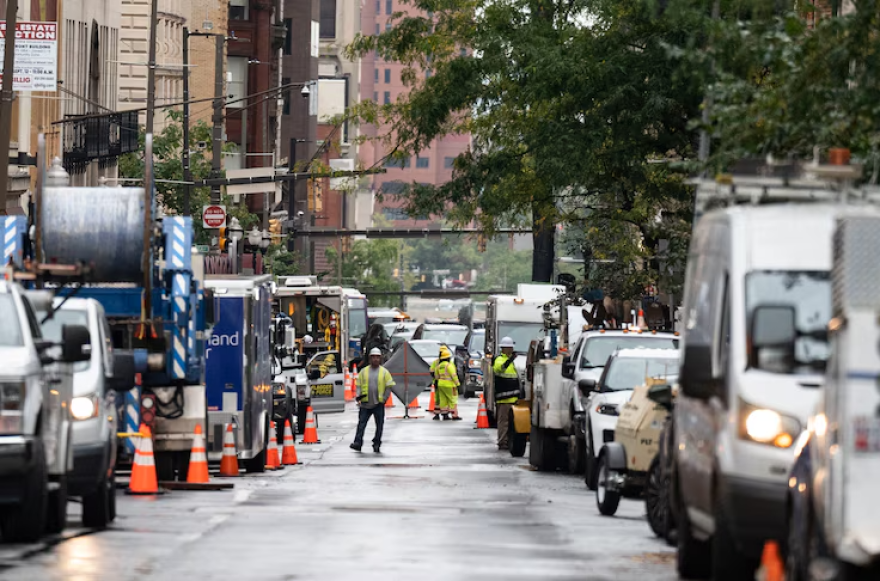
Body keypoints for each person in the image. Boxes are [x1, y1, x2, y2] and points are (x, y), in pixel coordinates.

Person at [350, 348, 395, 453]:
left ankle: (377, 443)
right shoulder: (363, 371)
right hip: (365, 403)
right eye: (373, 357)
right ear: (370, 358)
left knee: (379, 425)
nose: (375, 359)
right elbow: (358, 386)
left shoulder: (384, 372)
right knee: (361, 424)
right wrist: (358, 397)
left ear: (380, 358)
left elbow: (389, 386)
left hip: (378, 403)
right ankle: (358, 442)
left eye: (377, 357)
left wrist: (384, 399)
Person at [492, 336, 521, 450]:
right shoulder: (499, 359)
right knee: (503, 422)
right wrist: (510, 360)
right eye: (509, 348)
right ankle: (502, 442)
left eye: (511, 348)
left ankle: (508, 441)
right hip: (503, 399)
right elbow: (500, 369)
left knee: (510, 423)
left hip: (513, 398)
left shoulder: (511, 362)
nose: (511, 350)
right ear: (503, 348)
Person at [430, 345, 462, 421]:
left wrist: (437, 381)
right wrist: (458, 384)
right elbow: (453, 375)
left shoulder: (437, 364)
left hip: (439, 384)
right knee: (452, 400)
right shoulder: (449, 364)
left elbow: (434, 374)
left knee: (441, 399)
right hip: (450, 385)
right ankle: (454, 415)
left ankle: (443, 414)